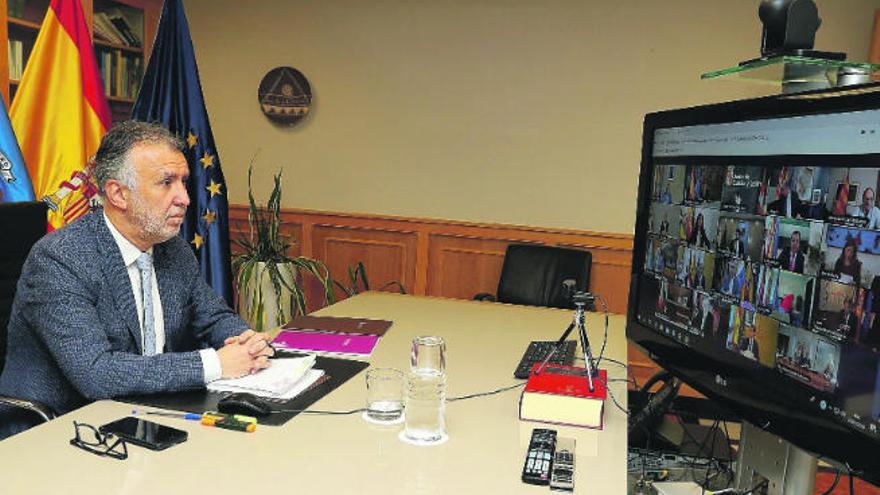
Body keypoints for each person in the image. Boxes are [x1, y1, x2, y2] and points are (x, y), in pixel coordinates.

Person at [0, 122, 273, 439]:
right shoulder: (60, 258)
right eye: (166, 183)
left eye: (184, 183)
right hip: (60, 429)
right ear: (118, 194)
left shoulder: (174, 250)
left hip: (146, 414)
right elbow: (97, 374)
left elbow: (213, 316)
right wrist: (217, 364)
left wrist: (244, 340)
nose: (184, 198)